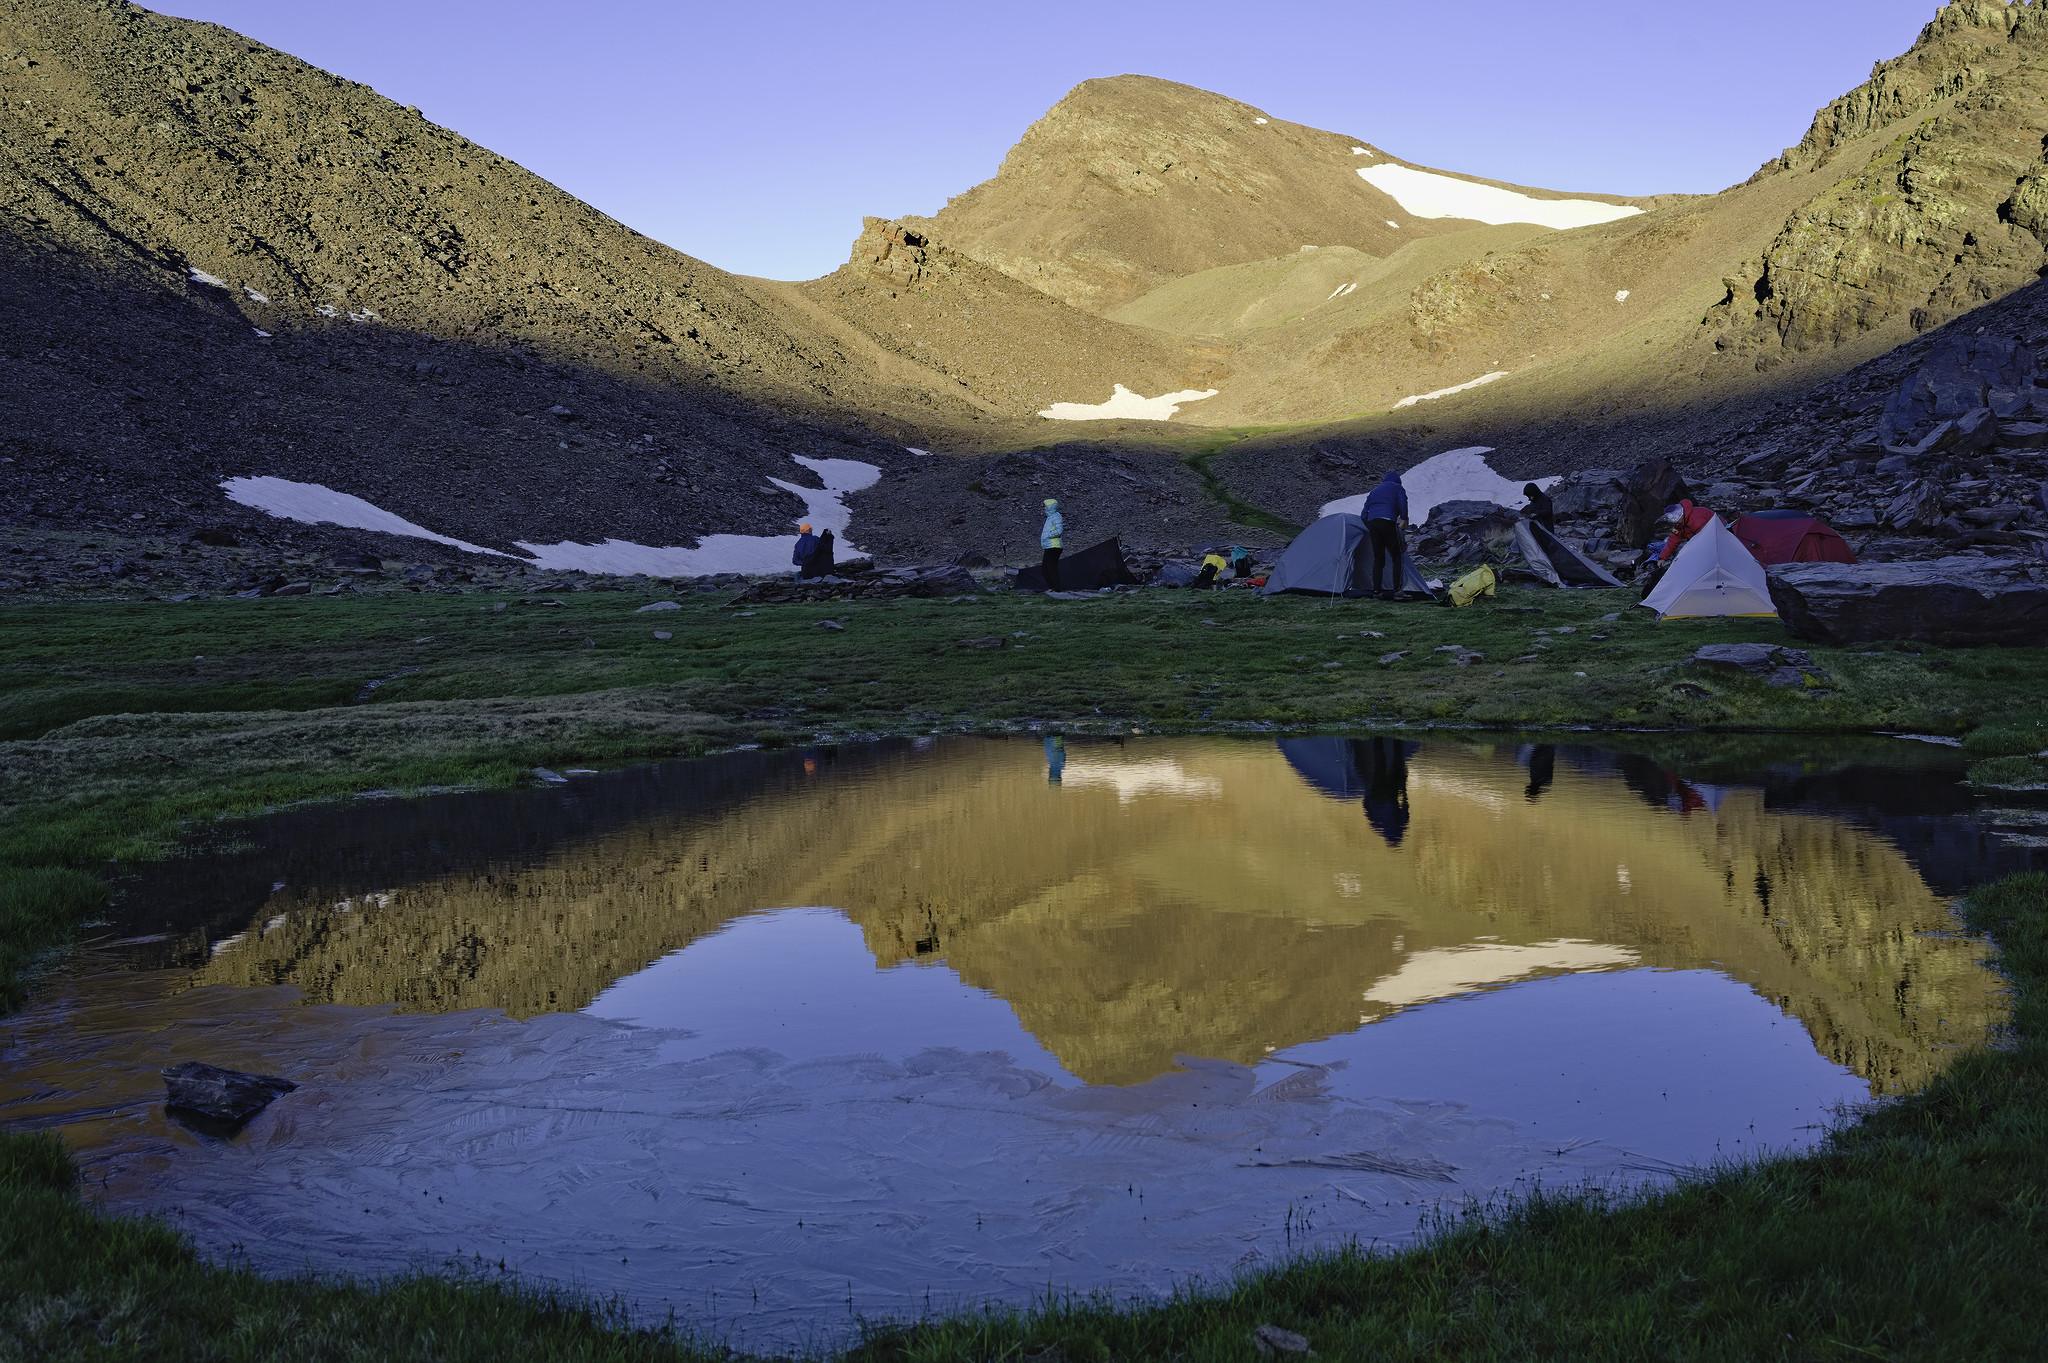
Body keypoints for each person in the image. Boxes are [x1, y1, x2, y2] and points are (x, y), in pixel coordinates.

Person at [1638, 500, 1714, 599]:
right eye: (1674, 522)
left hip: (1717, 535)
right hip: (1700, 540)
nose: (1676, 524)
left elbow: (1705, 538)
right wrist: (1662, 558)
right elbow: (1673, 540)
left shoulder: (1696, 519)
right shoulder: (1678, 525)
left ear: (1682, 515)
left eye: (1677, 521)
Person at [1360, 470, 1409, 598]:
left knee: (1378, 558)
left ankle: (1377, 592)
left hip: (1373, 523)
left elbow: (1363, 514)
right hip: (1388, 522)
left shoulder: (1374, 491)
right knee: (1397, 555)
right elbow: (1402, 501)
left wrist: (1370, 526)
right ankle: (1397, 591)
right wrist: (1404, 517)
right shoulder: (1398, 487)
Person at [1040, 498, 1064, 592]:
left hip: (1054, 546)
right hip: (1049, 546)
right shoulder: (1050, 517)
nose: (1044, 508)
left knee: (1051, 567)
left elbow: (1059, 530)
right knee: (1045, 568)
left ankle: (1056, 588)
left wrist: (1047, 536)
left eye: (1045, 506)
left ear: (1050, 507)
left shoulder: (1056, 516)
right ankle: (1052, 587)